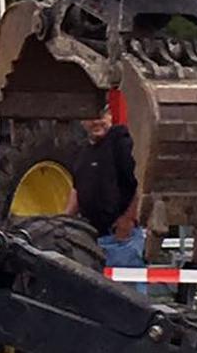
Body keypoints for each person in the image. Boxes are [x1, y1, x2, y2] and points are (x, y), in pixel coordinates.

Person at [65, 104, 147, 293]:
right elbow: (77, 190)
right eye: (91, 117)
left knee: (129, 299)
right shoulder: (82, 153)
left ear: (110, 116)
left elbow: (140, 182)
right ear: (82, 121)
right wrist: (63, 222)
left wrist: (128, 220)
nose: (96, 122)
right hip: (92, 239)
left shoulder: (121, 143)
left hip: (120, 240)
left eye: (101, 115)